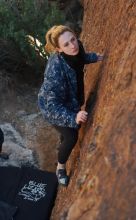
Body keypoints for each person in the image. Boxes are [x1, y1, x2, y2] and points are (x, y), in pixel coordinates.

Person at [38, 25, 103, 186]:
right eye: (66, 44)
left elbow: (80, 58)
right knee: (71, 136)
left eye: (72, 39)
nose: (72, 45)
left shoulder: (77, 46)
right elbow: (52, 105)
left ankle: (62, 142)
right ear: (59, 49)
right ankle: (60, 167)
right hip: (52, 107)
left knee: (68, 131)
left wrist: (95, 57)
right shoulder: (55, 71)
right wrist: (73, 116)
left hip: (70, 99)